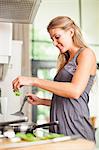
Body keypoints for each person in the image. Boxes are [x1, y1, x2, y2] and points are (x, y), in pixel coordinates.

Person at [12, 16, 96, 141]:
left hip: (77, 129)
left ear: (71, 32)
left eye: (57, 37)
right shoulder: (66, 61)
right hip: (59, 130)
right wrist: (41, 101)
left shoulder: (86, 54)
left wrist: (34, 80)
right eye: (52, 39)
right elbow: (67, 103)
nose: (54, 43)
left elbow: (75, 91)